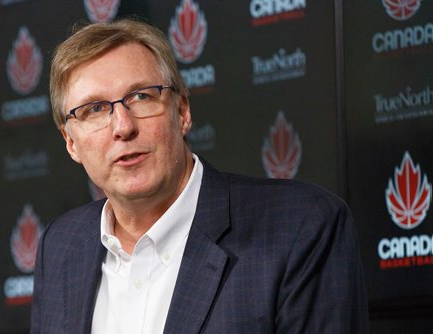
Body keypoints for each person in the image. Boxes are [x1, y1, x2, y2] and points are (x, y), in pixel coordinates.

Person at [31, 18, 369, 333]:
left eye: (142, 97)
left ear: (182, 112)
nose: (123, 126)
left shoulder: (302, 226)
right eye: (94, 109)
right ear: (70, 142)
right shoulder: (60, 246)